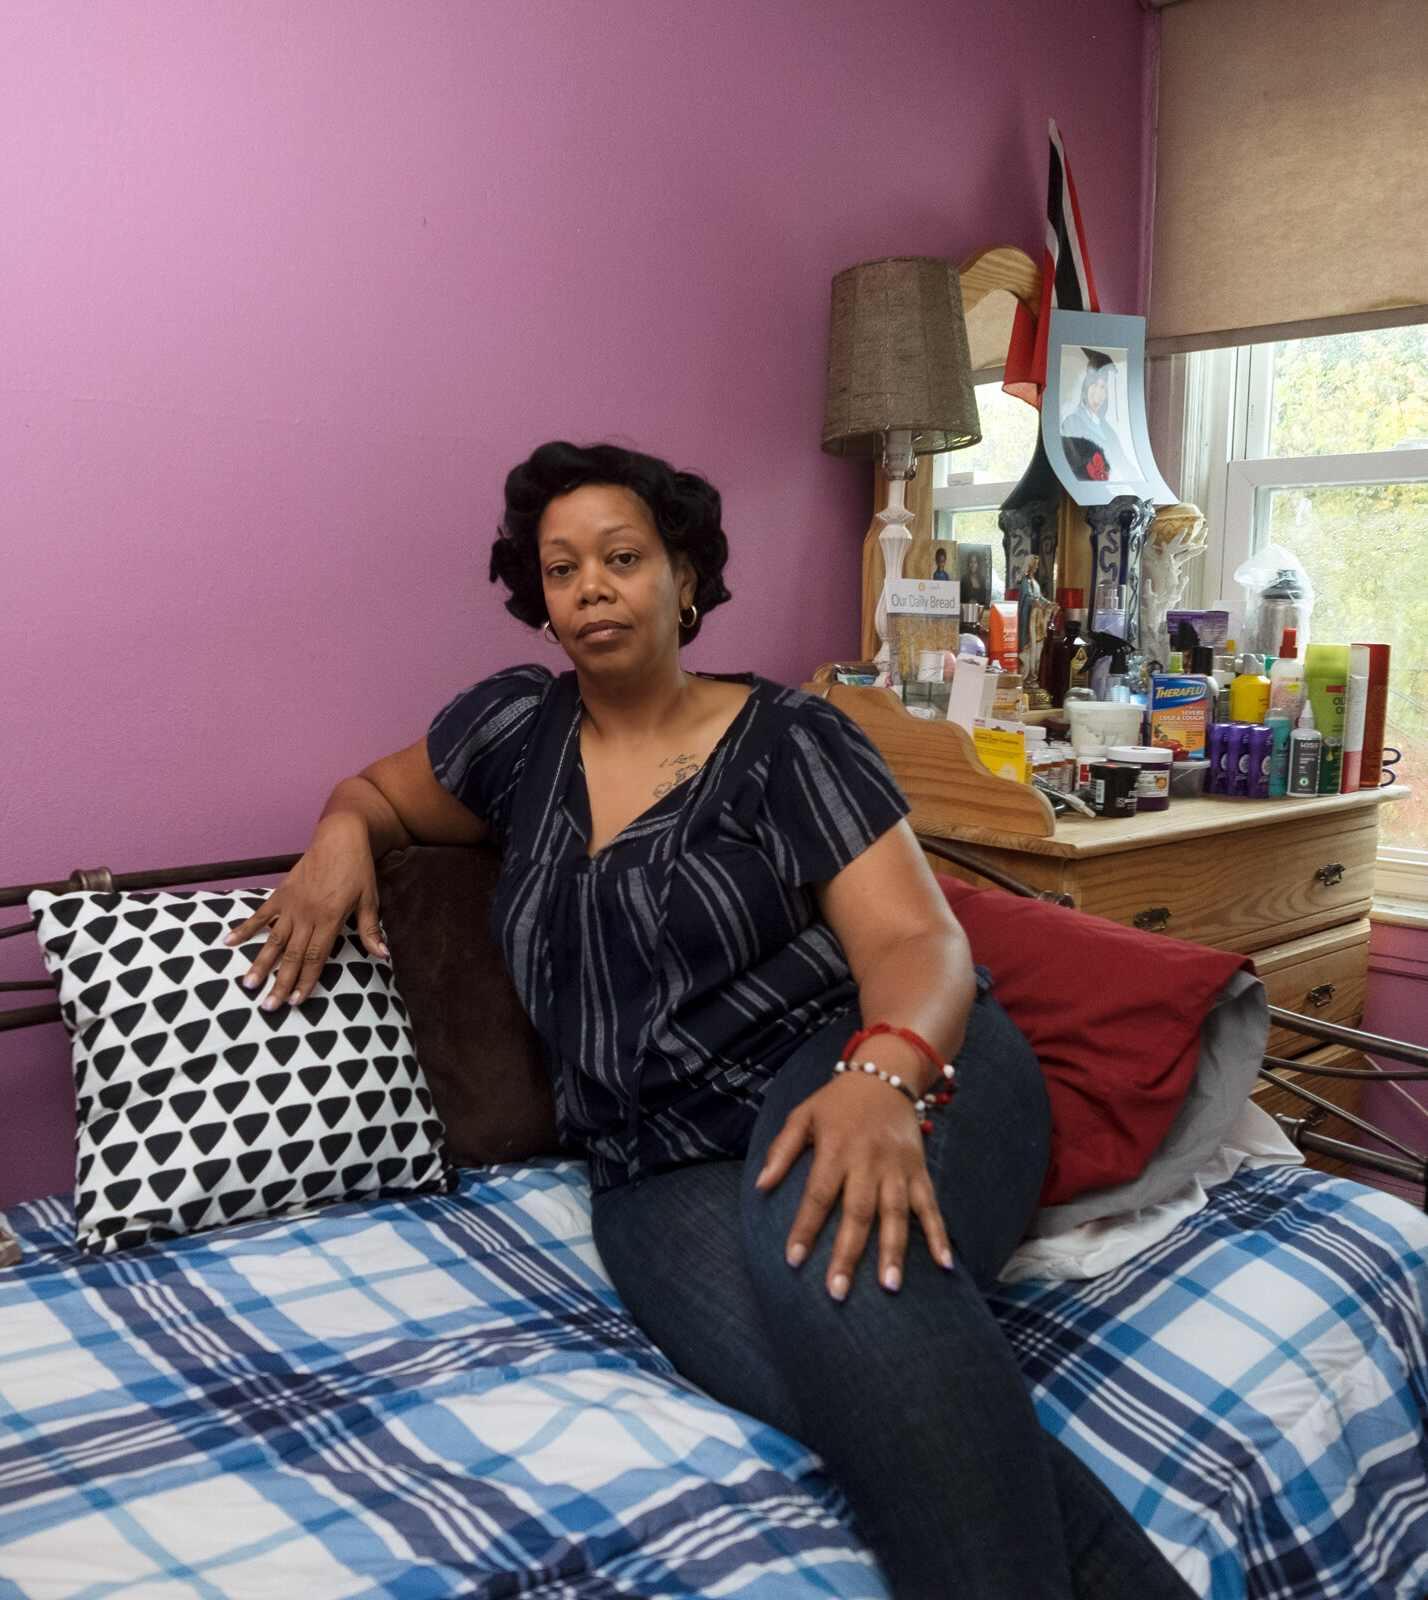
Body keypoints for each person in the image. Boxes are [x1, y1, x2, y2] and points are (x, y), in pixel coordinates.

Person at [225, 441, 1196, 1600]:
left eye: (623, 557)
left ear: (685, 578)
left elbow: (917, 943)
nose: (591, 585)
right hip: (653, 1168)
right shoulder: (513, 738)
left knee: (849, 1290)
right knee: (861, 1389)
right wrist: (341, 830)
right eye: (562, 567)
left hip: (880, 1060)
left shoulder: (787, 740)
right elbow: (381, 793)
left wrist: (882, 1080)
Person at [1060, 351, 1127, 482]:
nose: (1099, 393)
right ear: (1086, 387)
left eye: (1104, 388)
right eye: (1096, 385)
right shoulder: (1073, 422)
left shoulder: (1106, 428)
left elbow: (1123, 463)